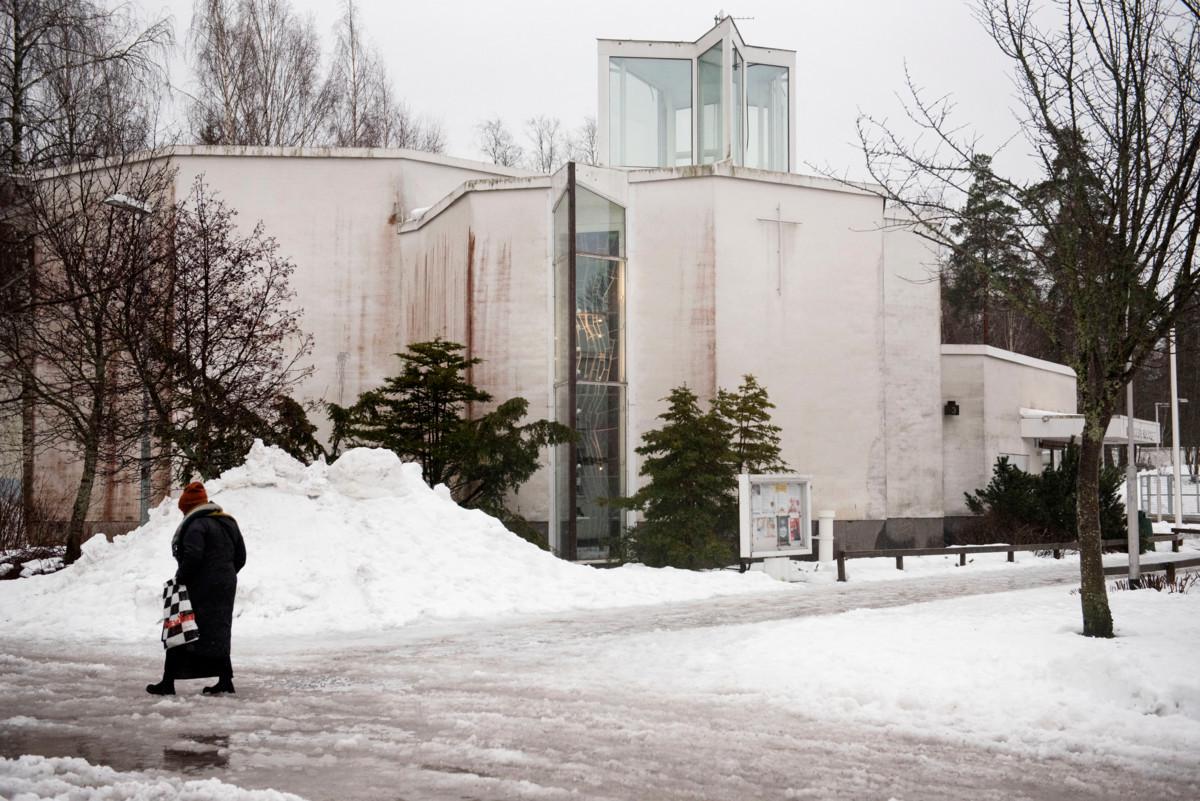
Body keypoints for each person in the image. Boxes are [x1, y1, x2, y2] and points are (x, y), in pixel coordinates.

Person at [147, 481, 247, 696]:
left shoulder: (195, 525)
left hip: (200, 585)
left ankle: (168, 682)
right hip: (225, 585)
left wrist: (180, 577)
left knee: (181, 629)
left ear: (188, 507)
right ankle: (225, 680)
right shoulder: (228, 522)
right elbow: (241, 557)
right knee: (219, 631)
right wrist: (225, 575)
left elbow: (193, 556)